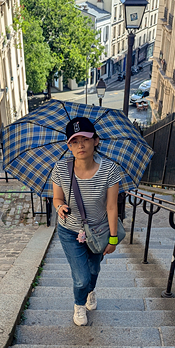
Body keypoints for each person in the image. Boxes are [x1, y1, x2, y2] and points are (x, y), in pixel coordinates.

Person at [51, 116, 122, 326]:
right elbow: (57, 198)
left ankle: (90, 291)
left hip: (99, 231)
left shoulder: (110, 170)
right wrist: (60, 207)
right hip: (69, 232)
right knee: (81, 277)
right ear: (69, 146)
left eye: (85, 139)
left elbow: (112, 207)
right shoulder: (61, 169)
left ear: (96, 141)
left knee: (93, 271)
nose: (80, 145)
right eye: (74, 141)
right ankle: (79, 305)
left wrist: (113, 239)